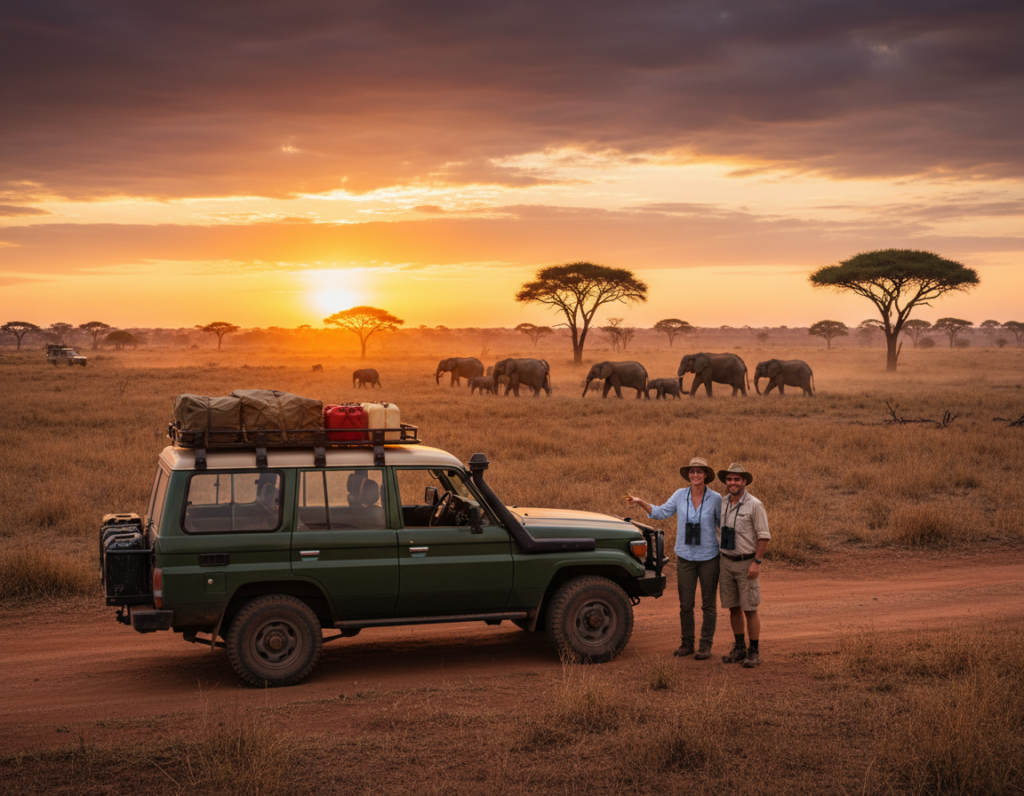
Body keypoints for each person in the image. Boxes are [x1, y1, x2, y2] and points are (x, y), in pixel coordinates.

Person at [627, 457, 722, 659]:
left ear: (706, 475)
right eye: (692, 471)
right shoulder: (680, 495)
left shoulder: (716, 499)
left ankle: (705, 645)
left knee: (708, 604)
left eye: (699, 471)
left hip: (709, 557)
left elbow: (724, 525)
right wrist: (641, 502)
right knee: (686, 603)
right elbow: (661, 512)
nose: (695, 475)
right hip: (685, 557)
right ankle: (687, 643)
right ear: (688, 474)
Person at [716, 463, 770, 668]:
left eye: (737, 479)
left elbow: (763, 536)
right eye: (729, 479)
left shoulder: (755, 505)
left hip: (746, 562)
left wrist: (756, 562)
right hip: (726, 562)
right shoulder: (721, 503)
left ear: (744, 481)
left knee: (750, 609)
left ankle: (753, 651)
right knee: (733, 608)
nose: (732, 483)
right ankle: (739, 648)